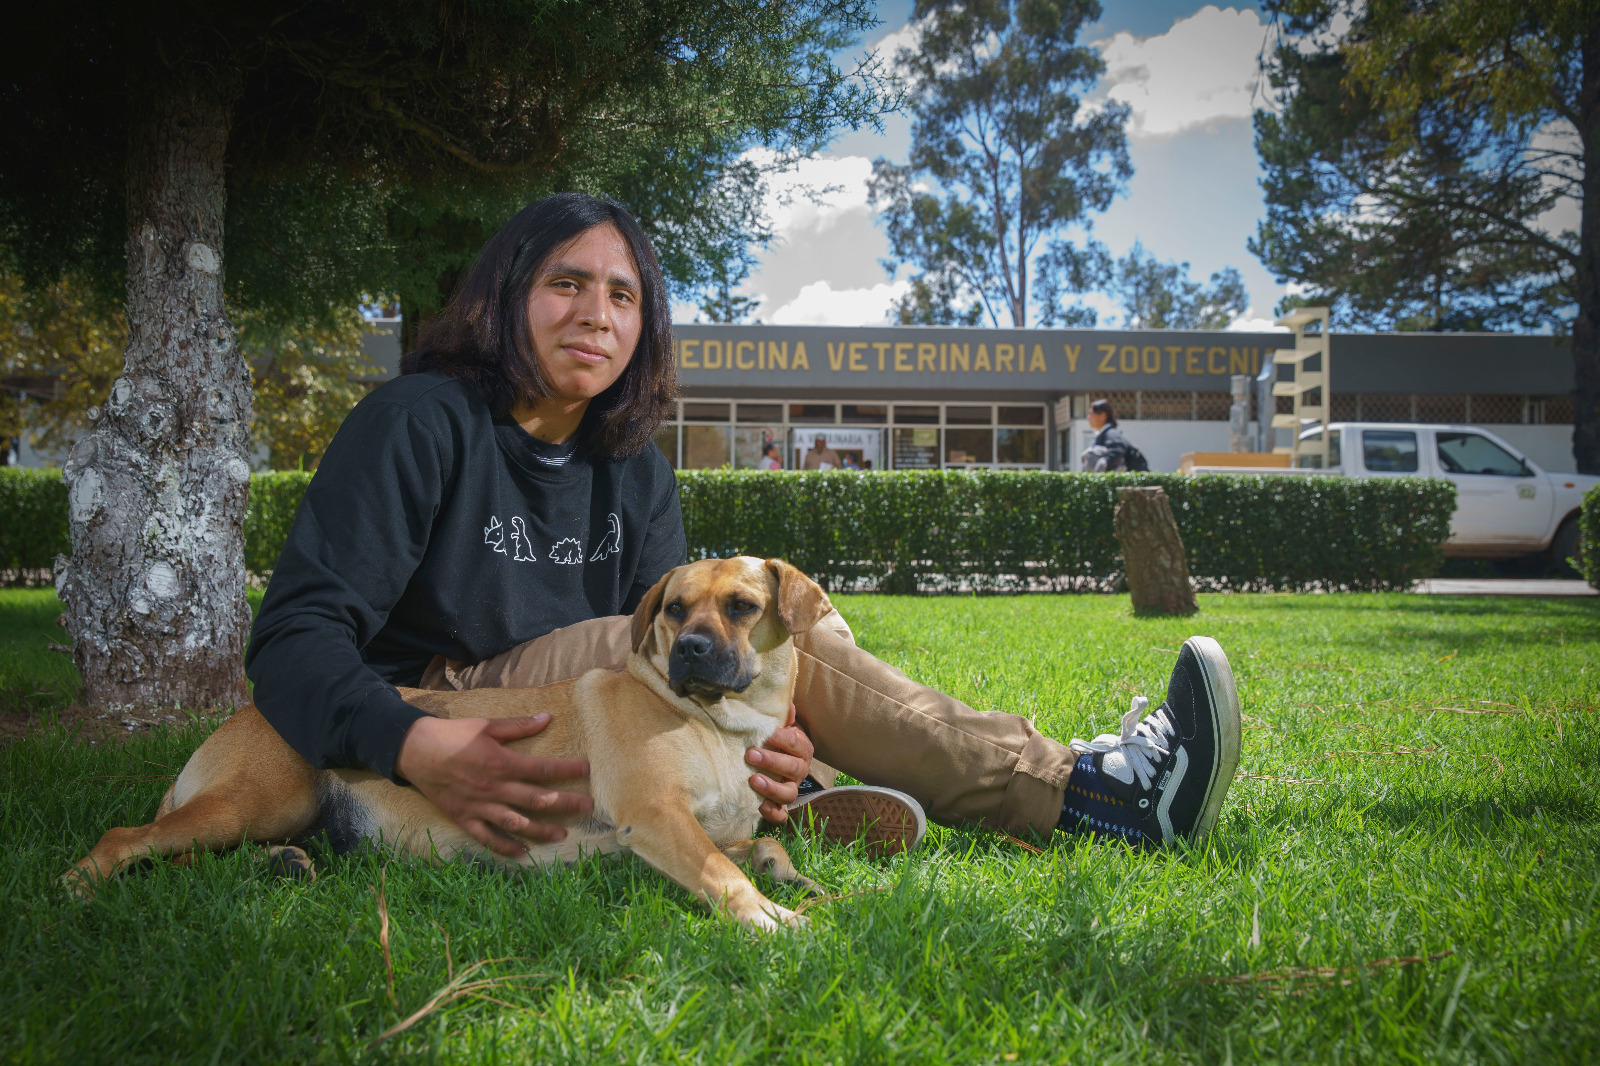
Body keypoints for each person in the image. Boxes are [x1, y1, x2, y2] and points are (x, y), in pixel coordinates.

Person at [246, 193, 1241, 864]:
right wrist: (412, 741)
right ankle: (1088, 793)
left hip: (589, 718)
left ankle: (793, 779)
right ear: (505, 297)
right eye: (564, 283)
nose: (595, 312)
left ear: (645, 328)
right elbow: (292, 637)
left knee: (769, 628)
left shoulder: (632, 466)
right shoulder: (418, 424)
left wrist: (768, 736)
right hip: (457, 702)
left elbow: (674, 678)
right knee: (729, 633)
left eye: (622, 294)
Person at [1080, 398, 1136, 472]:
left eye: (1091, 414)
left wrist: (1100, 470)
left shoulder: (1111, 434)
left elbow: (1117, 454)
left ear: (1103, 415)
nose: (1088, 417)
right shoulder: (1101, 435)